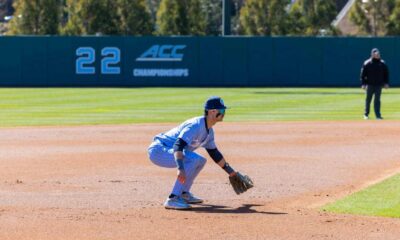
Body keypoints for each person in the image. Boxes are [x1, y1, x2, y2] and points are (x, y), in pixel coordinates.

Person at [147, 96, 239, 210]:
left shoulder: (209, 131)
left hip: (169, 151)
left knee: (201, 160)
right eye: (222, 111)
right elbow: (178, 145)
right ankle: (173, 198)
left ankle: (184, 193)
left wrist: (231, 172)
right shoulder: (195, 125)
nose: (224, 113)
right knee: (193, 159)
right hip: (159, 150)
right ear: (212, 111)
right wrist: (180, 168)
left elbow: (215, 153)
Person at [360, 48, 389, 120]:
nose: (377, 55)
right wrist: (363, 84)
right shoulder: (367, 63)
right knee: (368, 100)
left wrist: (386, 83)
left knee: (377, 100)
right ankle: (366, 114)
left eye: (378, 54)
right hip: (369, 84)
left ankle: (378, 115)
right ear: (372, 54)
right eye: (376, 54)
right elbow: (363, 74)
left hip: (378, 85)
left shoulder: (382, 63)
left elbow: (386, 74)